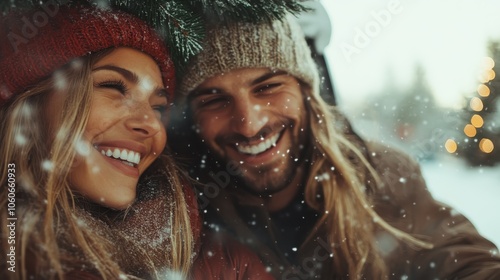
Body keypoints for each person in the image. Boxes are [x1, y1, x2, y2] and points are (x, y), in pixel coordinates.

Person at [170, 13, 500, 279]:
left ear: (306, 94)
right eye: (214, 100)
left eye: (268, 87)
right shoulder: (181, 214)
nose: (249, 124)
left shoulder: (381, 177)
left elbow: (460, 258)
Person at [0, 3, 272, 280]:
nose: (151, 124)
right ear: (30, 105)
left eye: (158, 108)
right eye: (113, 87)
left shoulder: (227, 265)